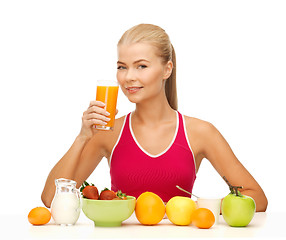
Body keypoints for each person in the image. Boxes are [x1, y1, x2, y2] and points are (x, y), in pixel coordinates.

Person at [41, 24, 268, 211]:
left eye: (141, 66)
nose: (129, 77)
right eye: (122, 67)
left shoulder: (200, 132)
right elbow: (51, 199)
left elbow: (256, 197)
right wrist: (82, 137)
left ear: (167, 70)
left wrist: (203, 207)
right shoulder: (108, 133)